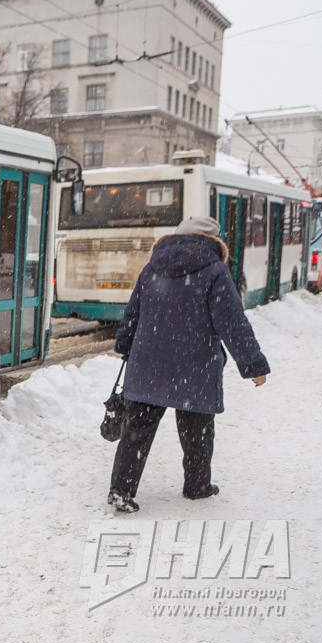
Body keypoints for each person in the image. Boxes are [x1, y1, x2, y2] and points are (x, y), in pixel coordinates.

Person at [108, 216, 270, 513]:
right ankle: (197, 486)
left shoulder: (152, 268)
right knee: (197, 429)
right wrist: (253, 364)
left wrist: (124, 345)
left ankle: (121, 489)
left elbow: (133, 313)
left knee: (136, 431)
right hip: (195, 364)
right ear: (213, 242)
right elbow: (232, 322)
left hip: (149, 363)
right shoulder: (215, 270)